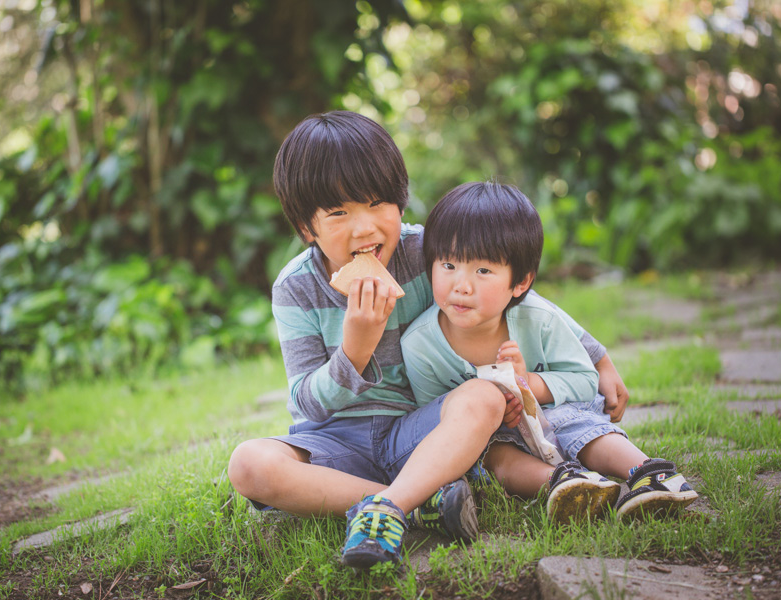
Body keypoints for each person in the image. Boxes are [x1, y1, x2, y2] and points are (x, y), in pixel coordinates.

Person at [227, 111, 624, 569]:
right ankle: (415, 501)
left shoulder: (426, 251)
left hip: (422, 430)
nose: (365, 228)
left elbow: (513, 296)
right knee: (249, 463)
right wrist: (355, 348)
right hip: (337, 444)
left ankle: (399, 502)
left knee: (484, 393)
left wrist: (597, 355)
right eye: (338, 213)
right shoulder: (296, 287)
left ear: (401, 201)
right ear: (306, 228)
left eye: (378, 204)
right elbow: (307, 405)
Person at [400, 181, 698, 523]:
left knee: (577, 425)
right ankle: (568, 483)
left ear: (521, 282)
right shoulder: (420, 344)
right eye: (448, 265)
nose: (461, 285)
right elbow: (435, 416)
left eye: (483, 270)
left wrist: (529, 384)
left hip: (554, 410)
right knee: (493, 458)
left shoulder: (538, 319)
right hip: (495, 438)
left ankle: (651, 474)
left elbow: (585, 380)